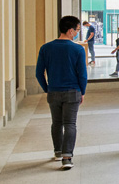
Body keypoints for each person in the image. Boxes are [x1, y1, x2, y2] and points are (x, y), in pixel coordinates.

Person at [35, 15, 88, 170]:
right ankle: (67, 157)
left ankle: (58, 151)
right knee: (70, 123)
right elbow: (82, 74)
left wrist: (47, 89)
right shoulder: (77, 49)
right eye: (77, 30)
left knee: (56, 123)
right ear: (70, 31)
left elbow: (39, 73)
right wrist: (82, 92)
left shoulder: (46, 48)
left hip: (54, 91)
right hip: (73, 91)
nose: (78, 33)